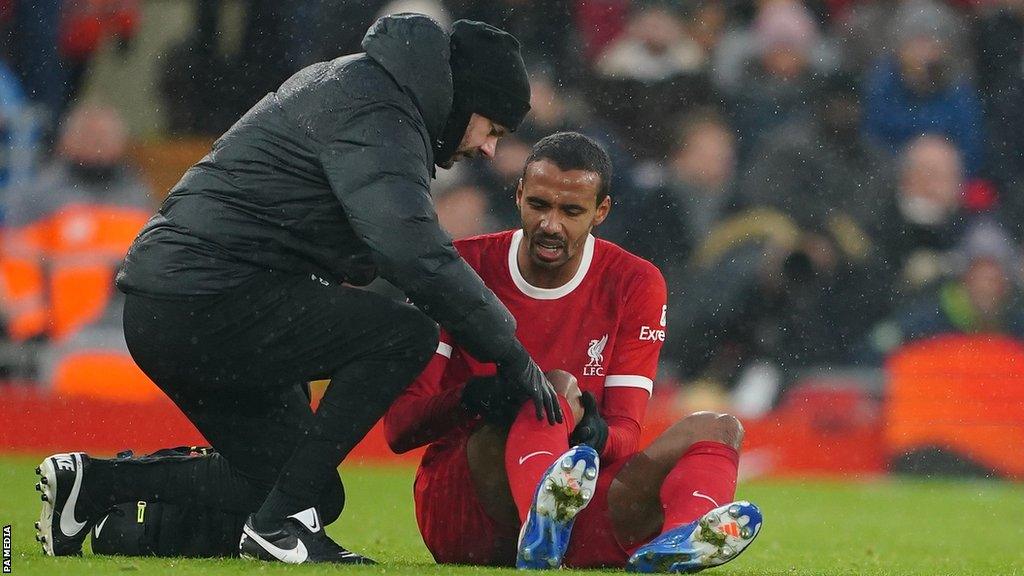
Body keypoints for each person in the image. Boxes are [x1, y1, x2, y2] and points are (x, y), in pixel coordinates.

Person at [32, 14, 564, 564]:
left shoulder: (364, 86)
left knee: (305, 487)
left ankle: (95, 488)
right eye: (493, 129)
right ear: (465, 98)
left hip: (179, 303)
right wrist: (510, 350)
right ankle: (279, 527)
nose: (488, 151)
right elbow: (412, 253)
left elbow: (365, 239)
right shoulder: (381, 109)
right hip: (206, 301)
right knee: (404, 336)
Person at [383, 132, 762, 571]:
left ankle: (678, 543)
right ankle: (540, 525)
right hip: (465, 507)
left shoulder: (635, 282)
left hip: (577, 495)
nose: (550, 224)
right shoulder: (458, 269)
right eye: (539, 205)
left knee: (718, 428)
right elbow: (399, 429)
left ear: (601, 211)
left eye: (571, 211)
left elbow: (624, 432)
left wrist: (592, 434)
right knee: (554, 386)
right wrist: (476, 398)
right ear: (519, 194)